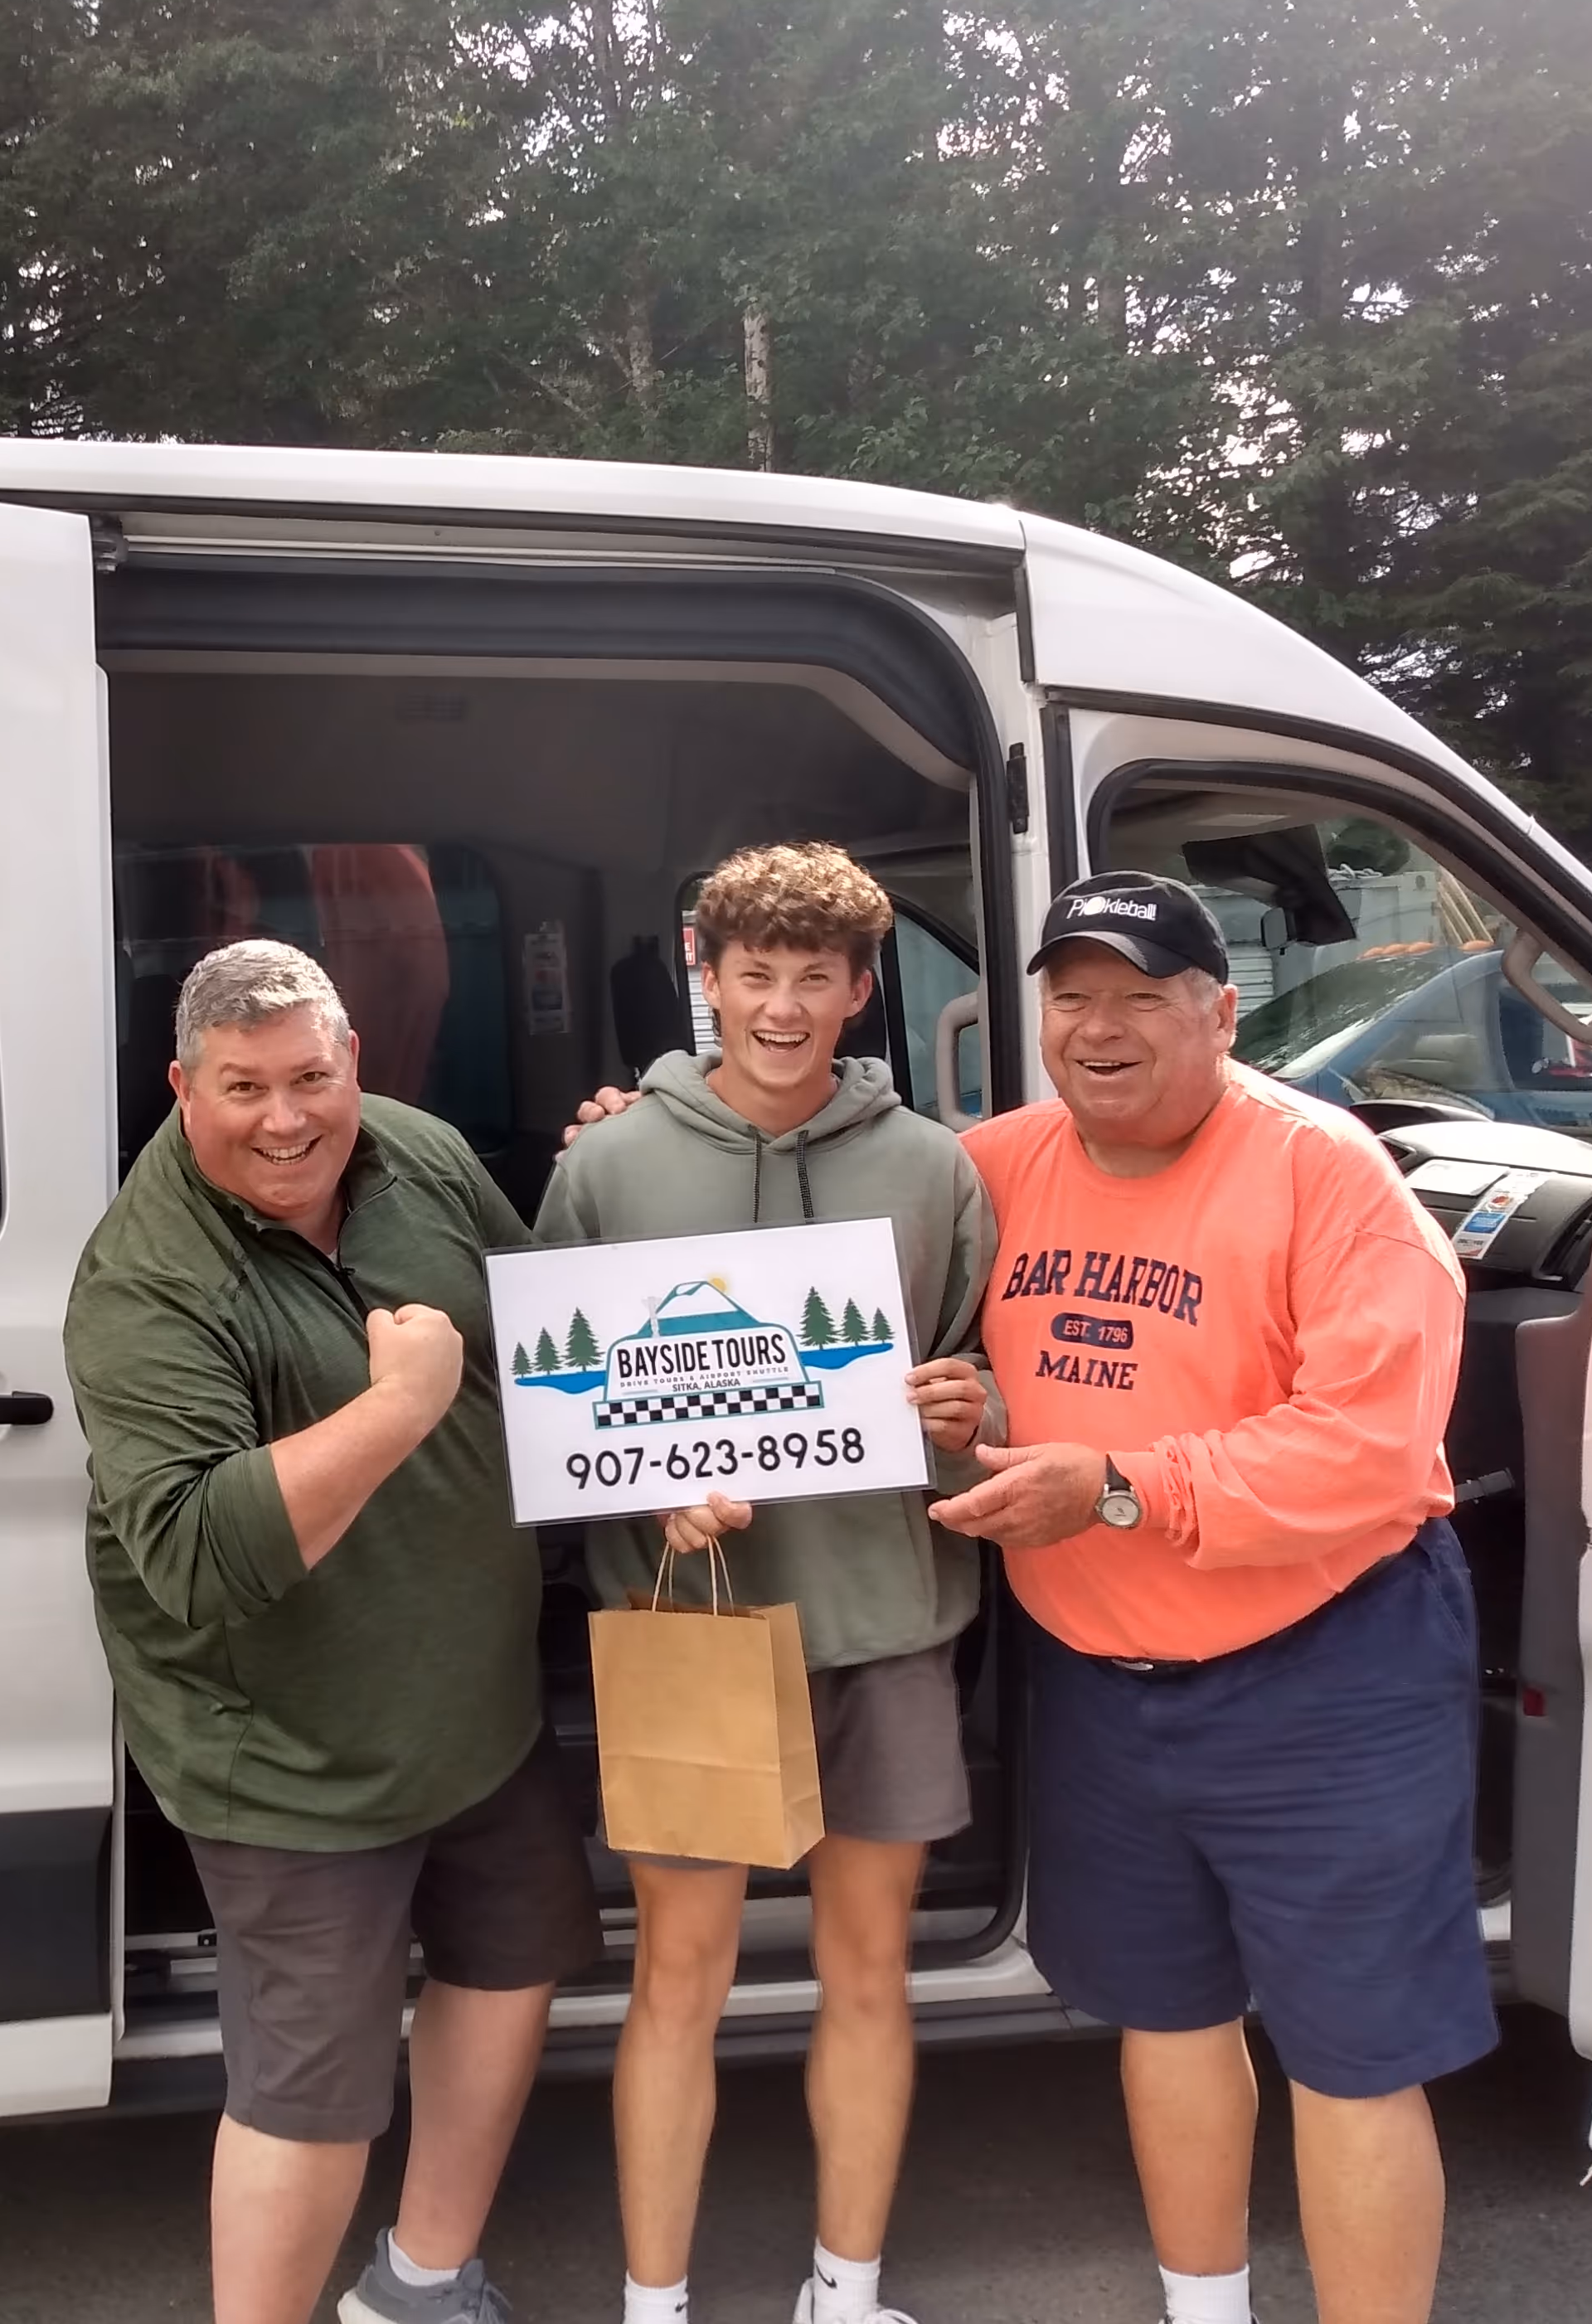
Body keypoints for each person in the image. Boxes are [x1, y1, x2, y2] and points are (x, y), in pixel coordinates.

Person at [934, 871, 1488, 2324]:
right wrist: (668, 1120)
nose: (1098, 1031)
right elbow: (798, 1218)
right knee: (1166, 2017)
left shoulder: (1326, 1173)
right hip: (1099, 1681)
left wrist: (1120, 1485)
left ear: (1220, 1013)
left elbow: (1374, 1450)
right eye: (1073, 1000)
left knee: (1355, 2055)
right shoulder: (990, 1165)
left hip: (1330, 1668)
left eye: (1139, 999)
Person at [67, 939, 598, 2324]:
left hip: (475, 1707)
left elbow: (553, 1349)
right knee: (312, 2093)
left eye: (313, 1076)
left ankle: (423, 2284)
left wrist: (664, 1470)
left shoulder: (414, 1155)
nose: (288, 1118)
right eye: (245, 1087)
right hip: (293, 1757)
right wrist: (398, 1409)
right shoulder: (148, 1283)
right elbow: (195, 1557)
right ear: (183, 1086)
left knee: (511, 1963)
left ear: (355, 1059)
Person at [536, 844, 997, 2324]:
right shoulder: (606, 1164)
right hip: (698, 1632)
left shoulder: (931, 1166)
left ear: (863, 989)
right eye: (756, 976)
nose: (784, 1008)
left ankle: (842, 2294)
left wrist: (962, 1407)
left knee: (872, 1968)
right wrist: (641, 1486)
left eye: (815, 979)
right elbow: (552, 1400)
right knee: (682, 1973)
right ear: (705, 972)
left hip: (884, 1618)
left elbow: (973, 1360)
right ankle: (652, 2305)